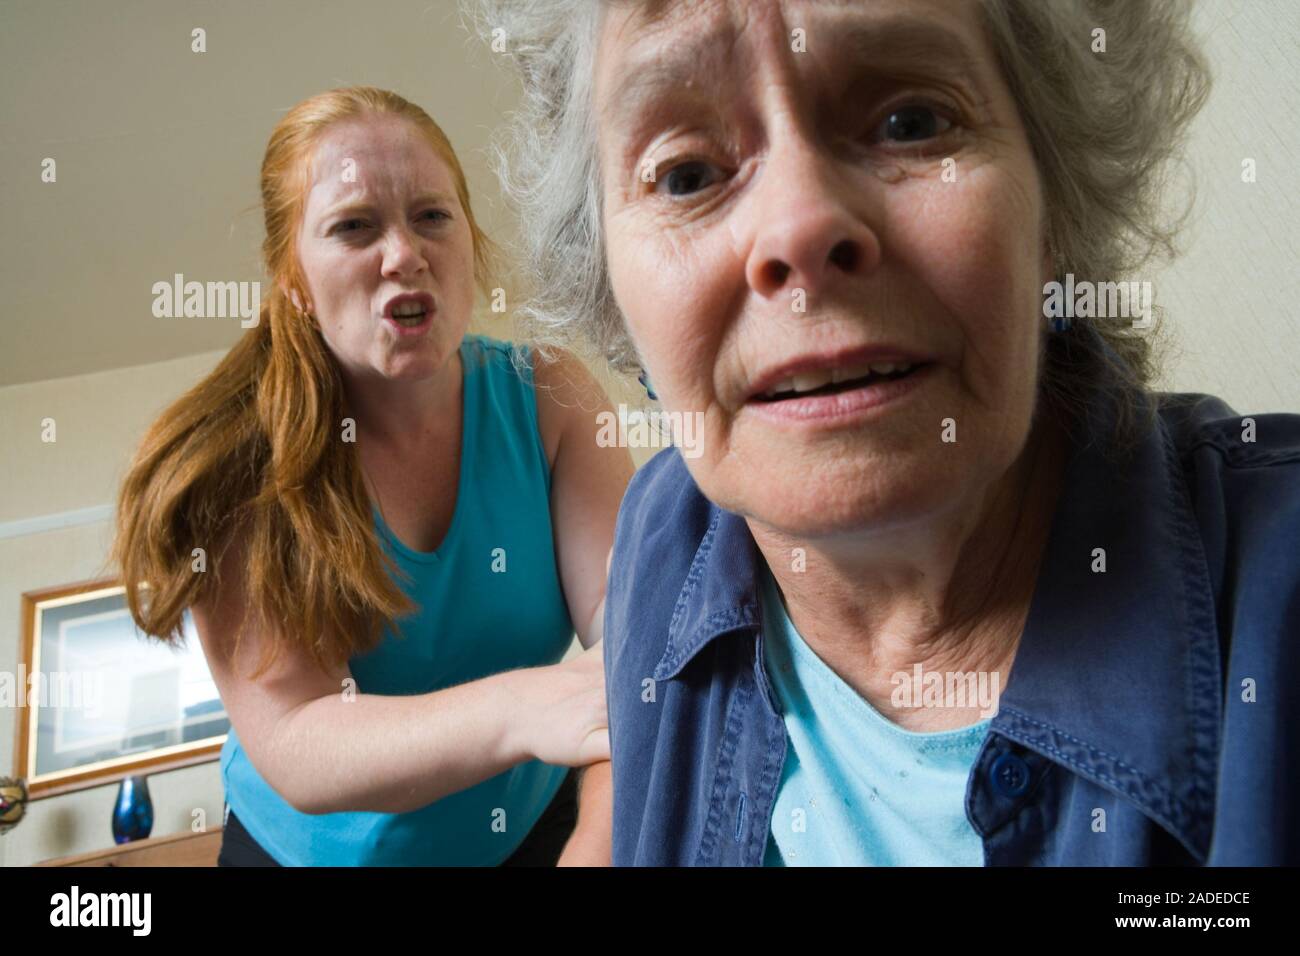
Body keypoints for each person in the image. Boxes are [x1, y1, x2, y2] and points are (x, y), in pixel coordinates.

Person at [470, 0, 1300, 865]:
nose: (797, 225)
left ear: (1055, 203)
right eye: (685, 175)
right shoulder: (664, 529)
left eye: (910, 122)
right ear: (610, 284)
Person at [112, 86, 632, 865]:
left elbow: (633, 654)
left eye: (431, 216)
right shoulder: (233, 459)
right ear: (291, 277)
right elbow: (297, 736)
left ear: (470, 242)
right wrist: (529, 707)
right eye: (354, 227)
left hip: (522, 828)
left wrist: (601, 839)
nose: (403, 253)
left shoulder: (553, 400)